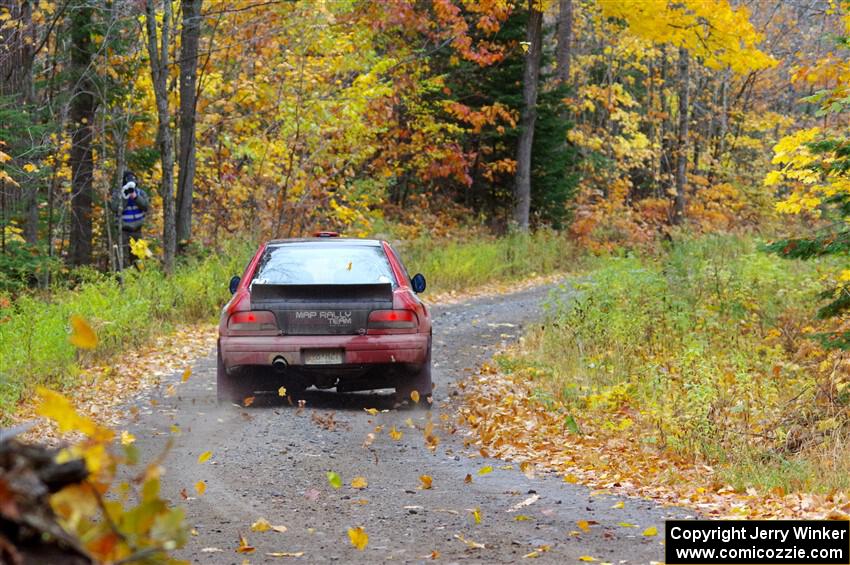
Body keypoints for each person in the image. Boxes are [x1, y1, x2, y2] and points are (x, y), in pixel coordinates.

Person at [109, 171, 150, 269]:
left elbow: (145, 206)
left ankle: (140, 277)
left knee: (139, 257)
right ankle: (120, 280)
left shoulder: (140, 193)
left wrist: (135, 197)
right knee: (121, 258)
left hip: (137, 230)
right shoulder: (118, 194)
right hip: (122, 231)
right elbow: (115, 208)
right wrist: (125, 197)